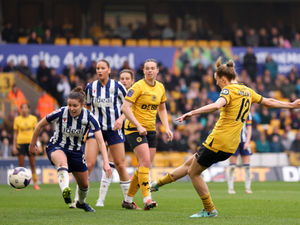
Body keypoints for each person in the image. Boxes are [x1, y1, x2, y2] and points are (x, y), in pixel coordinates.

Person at [150, 57, 300, 218]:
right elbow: (268, 101)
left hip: (218, 141)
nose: (217, 84)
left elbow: (216, 105)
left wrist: (192, 112)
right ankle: (157, 184)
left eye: (217, 81)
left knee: (193, 173)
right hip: (231, 145)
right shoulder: (247, 90)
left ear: (223, 79)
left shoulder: (228, 90)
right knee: (189, 165)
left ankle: (209, 209)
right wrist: (290, 105)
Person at [29, 87, 112, 212]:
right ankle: (65, 191)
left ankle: (81, 203)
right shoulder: (61, 112)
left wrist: (106, 162)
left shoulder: (90, 118)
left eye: (75, 106)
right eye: (69, 105)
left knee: (84, 185)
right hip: (57, 146)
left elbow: (100, 141)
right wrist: (32, 143)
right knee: (62, 163)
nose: (71, 108)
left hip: (76, 151)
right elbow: (40, 124)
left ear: (82, 105)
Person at [71, 59, 131, 208]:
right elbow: (89, 107)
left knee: (120, 164)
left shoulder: (117, 87)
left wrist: (121, 119)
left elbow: (130, 106)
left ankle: (128, 201)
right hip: (96, 130)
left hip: (114, 130)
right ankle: (78, 199)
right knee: (88, 163)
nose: (99, 70)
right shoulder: (91, 87)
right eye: (98, 68)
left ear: (109, 70)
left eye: (103, 68)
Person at [121, 58, 173, 210]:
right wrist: (138, 125)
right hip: (134, 129)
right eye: (147, 68)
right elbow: (125, 107)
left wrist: (167, 128)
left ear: (157, 70)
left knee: (144, 166)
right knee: (145, 163)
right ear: (143, 71)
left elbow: (162, 109)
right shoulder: (138, 87)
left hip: (150, 130)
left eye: (152, 68)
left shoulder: (160, 87)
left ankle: (128, 200)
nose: (150, 70)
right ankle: (147, 199)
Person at [96, 69, 135, 207]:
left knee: (142, 164)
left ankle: (144, 197)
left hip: (135, 132)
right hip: (119, 132)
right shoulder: (116, 92)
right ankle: (103, 199)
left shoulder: (135, 93)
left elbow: (132, 110)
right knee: (113, 162)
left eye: (127, 78)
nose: (124, 81)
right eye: (122, 78)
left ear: (132, 81)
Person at [13, 103, 40, 190]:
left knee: (32, 164)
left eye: (26, 108)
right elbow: (15, 133)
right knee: (21, 165)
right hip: (20, 142)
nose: (24, 110)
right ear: (20, 110)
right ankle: (19, 184)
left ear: (29, 109)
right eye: (22, 108)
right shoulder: (17, 119)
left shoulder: (33, 119)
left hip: (31, 143)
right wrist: (14, 146)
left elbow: (36, 133)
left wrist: (38, 144)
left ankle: (35, 183)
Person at [227, 113, 253, 194]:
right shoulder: (232, 109)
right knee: (232, 166)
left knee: (247, 166)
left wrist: (247, 141)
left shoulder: (247, 113)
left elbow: (249, 128)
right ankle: (230, 188)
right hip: (233, 141)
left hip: (244, 141)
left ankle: (248, 188)